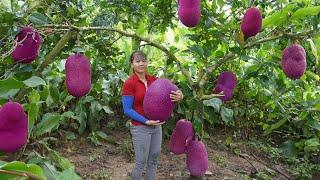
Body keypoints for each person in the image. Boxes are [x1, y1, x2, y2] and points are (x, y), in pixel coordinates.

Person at [121, 50, 184, 180]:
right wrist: (145, 121)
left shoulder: (154, 80)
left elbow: (171, 89)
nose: (141, 64)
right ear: (132, 64)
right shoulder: (129, 83)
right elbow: (127, 109)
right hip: (140, 126)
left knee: (154, 159)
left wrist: (180, 95)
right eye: (137, 61)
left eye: (144, 61)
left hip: (157, 126)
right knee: (141, 162)